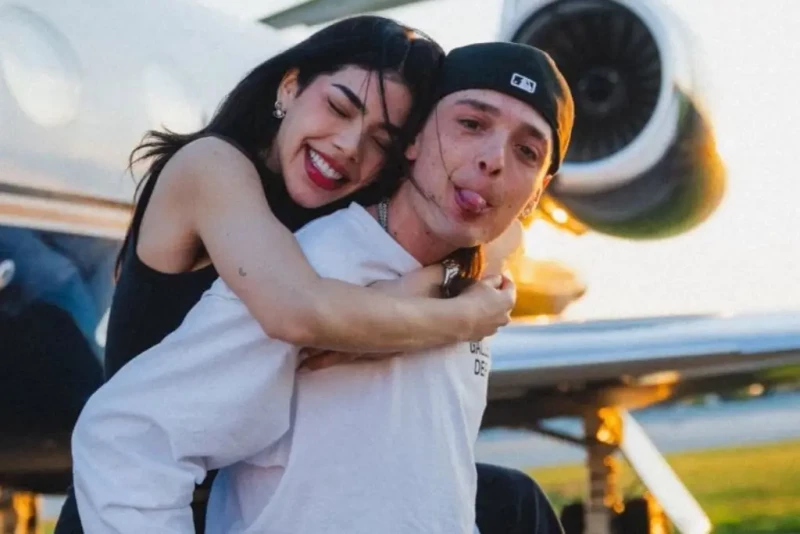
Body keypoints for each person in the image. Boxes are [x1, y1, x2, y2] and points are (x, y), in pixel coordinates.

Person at [70, 41, 574, 533]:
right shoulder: (292, 255)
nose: (494, 159)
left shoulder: (461, 274)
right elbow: (128, 439)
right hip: (127, 508)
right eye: (471, 124)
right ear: (415, 141)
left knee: (516, 500)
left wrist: (457, 288)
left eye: (526, 151)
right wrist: (458, 317)